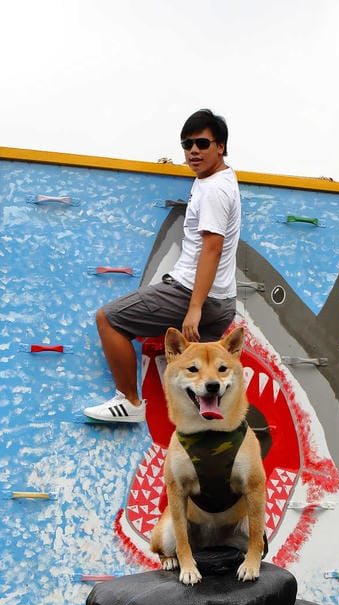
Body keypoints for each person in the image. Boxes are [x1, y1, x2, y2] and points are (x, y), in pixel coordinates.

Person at [84, 109, 241, 423]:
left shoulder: (213, 190)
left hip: (192, 293)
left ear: (220, 146)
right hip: (224, 302)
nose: (193, 151)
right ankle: (208, 422)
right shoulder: (220, 179)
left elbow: (212, 248)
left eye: (201, 143)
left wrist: (194, 307)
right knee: (198, 374)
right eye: (187, 145)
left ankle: (129, 402)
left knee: (110, 319)